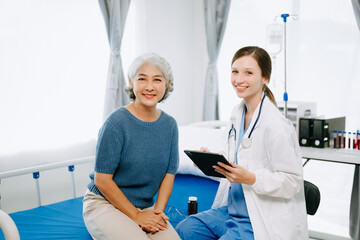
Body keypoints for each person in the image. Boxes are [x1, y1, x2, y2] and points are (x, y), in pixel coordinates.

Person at [175, 46, 308, 240]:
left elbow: (292, 181)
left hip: (259, 217)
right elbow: (237, 158)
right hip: (231, 211)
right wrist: (211, 160)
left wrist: (252, 178)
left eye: (249, 73)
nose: (238, 79)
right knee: (187, 228)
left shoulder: (276, 126)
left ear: (265, 78)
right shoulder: (237, 115)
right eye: (235, 72)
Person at [83, 53, 181, 240]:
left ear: (166, 84)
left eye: (157, 80)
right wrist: (136, 216)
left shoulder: (170, 125)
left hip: (145, 207)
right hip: (104, 203)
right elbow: (102, 180)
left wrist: (157, 214)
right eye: (142, 79)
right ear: (131, 82)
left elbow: (169, 174)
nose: (150, 87)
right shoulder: (116, 123)